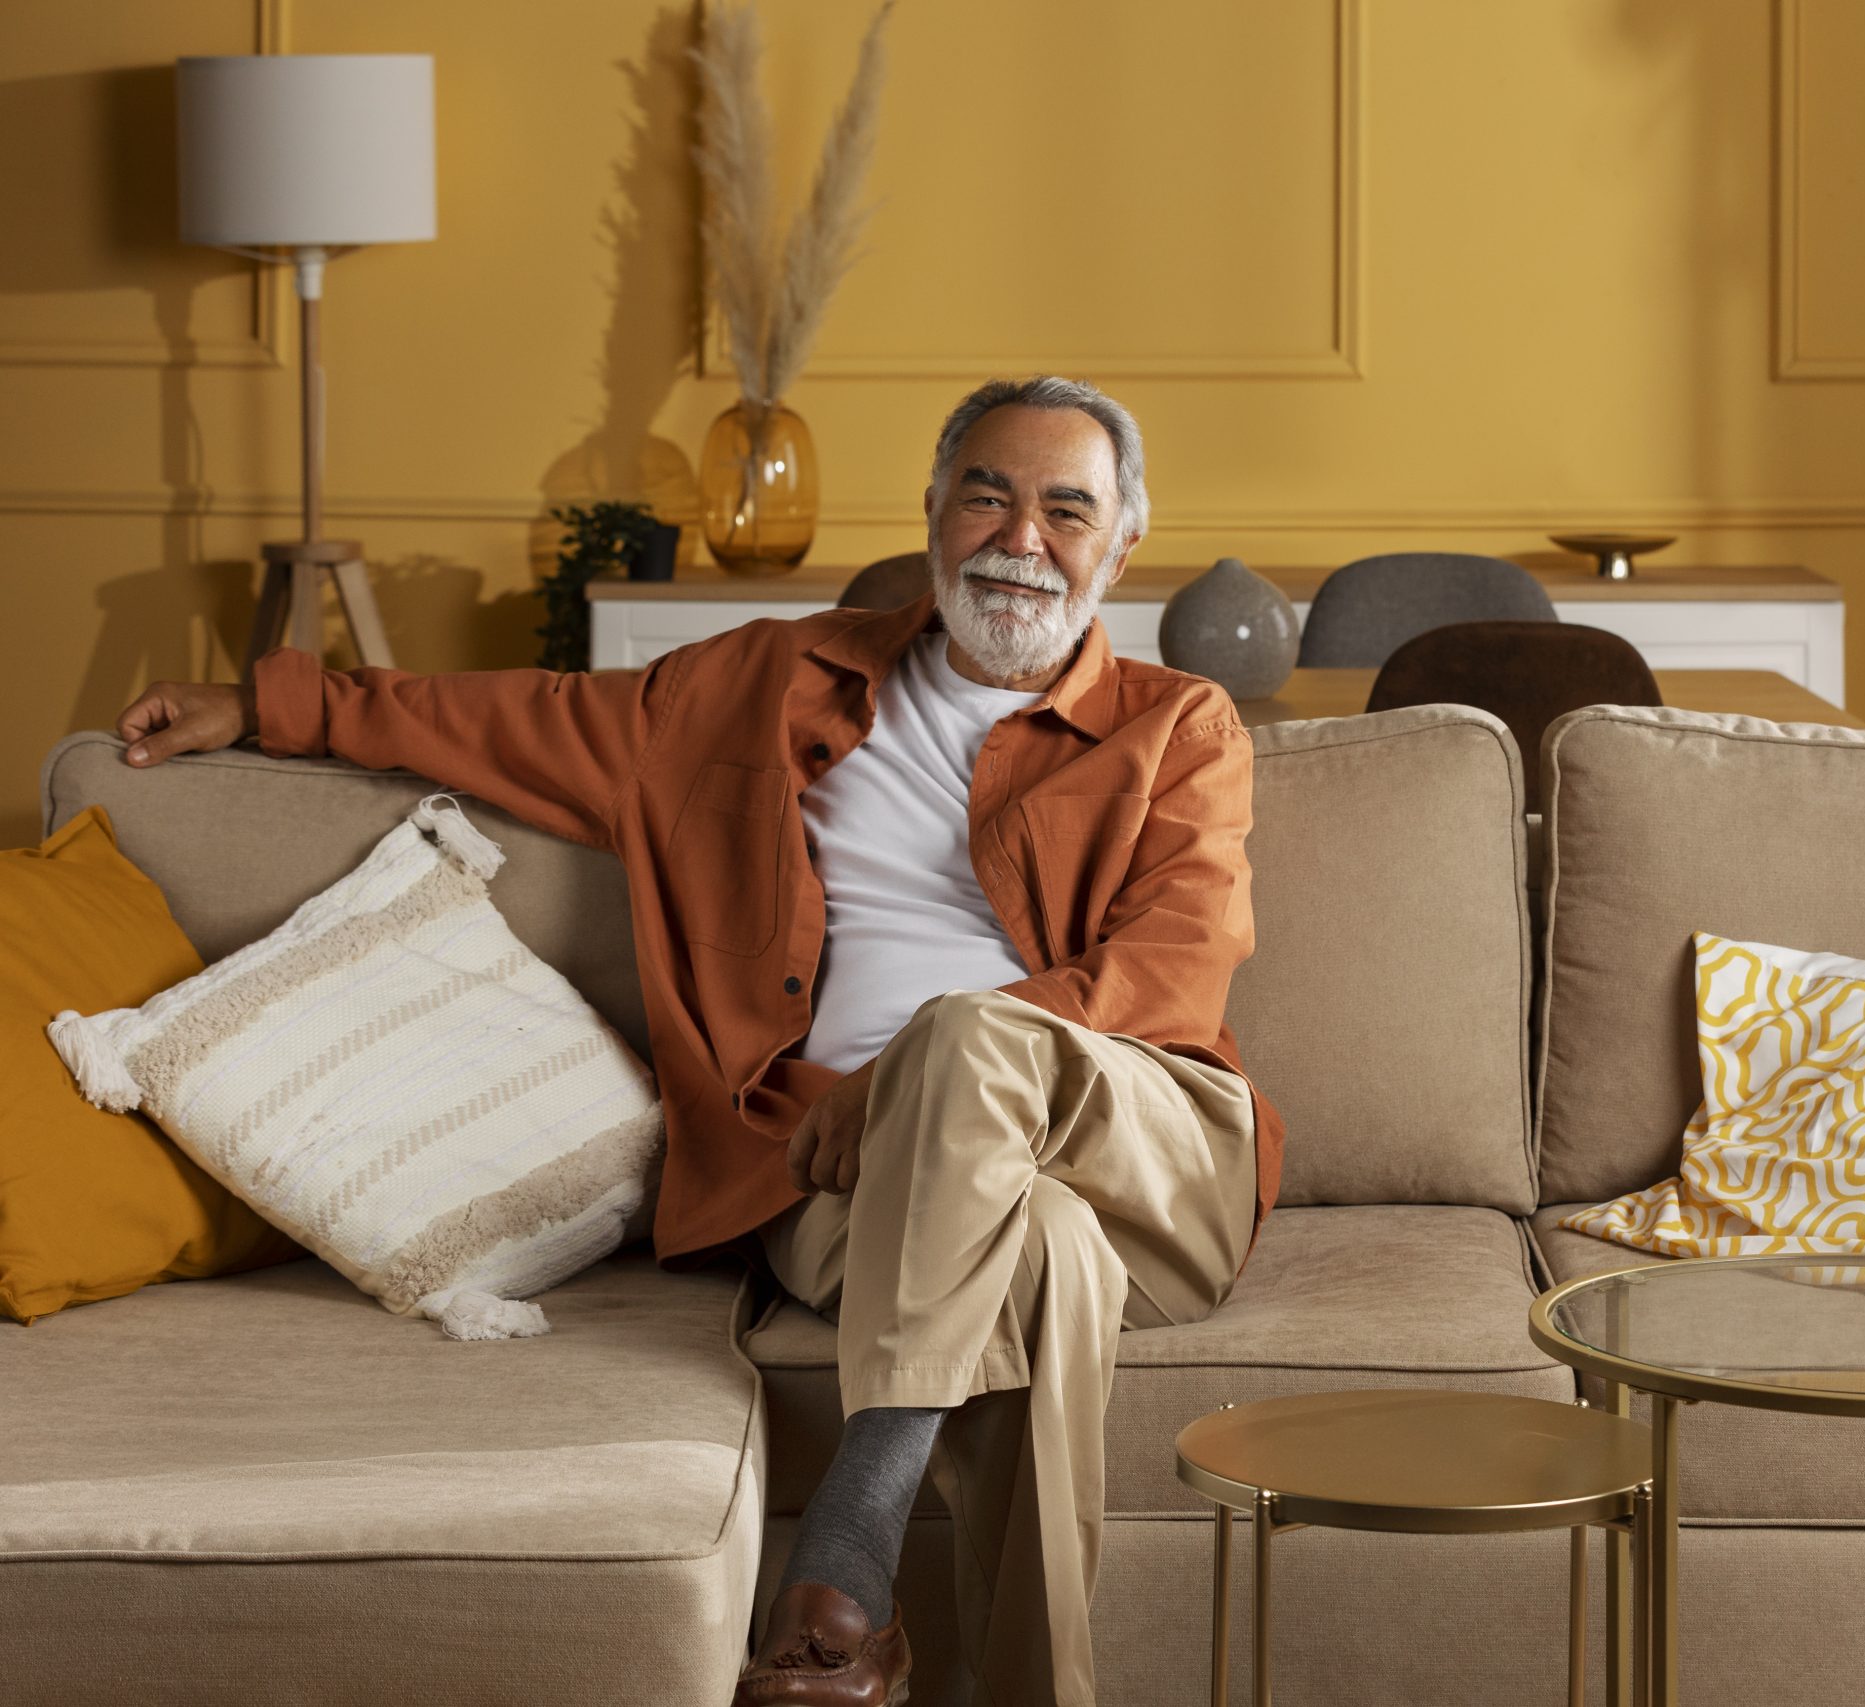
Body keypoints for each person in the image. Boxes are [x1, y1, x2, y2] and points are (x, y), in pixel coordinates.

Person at [114, 376, 1281, 1707]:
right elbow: (523, 720)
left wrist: (914, 1070)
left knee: (963, 1040)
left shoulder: (1175, 725)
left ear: (1121, 545)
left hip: (1144, 1153)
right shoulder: (763, 685)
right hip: (848, 1184)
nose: (1024, 539)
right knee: (1043, 1258)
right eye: (989, 496)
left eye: (1067, 509)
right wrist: (278, 706)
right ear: (933, 513)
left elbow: (1173, 971)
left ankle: (847, 1550)